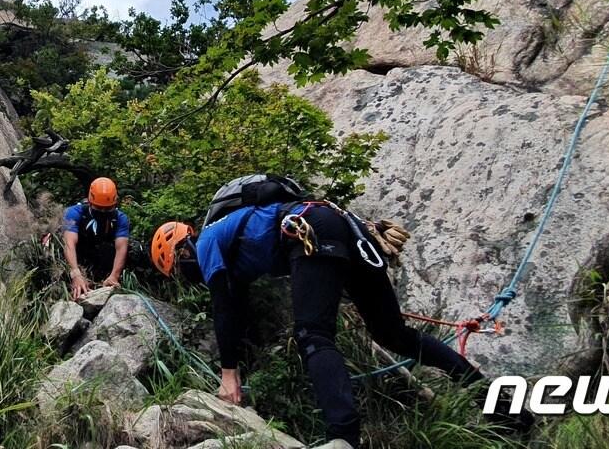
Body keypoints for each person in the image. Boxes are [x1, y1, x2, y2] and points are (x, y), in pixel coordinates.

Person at [151, 175, 494, 449]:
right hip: (339, 225)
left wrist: (229, 374)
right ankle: (505, 410)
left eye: (181, 271)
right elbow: (237, 315)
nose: (188, 276)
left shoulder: (209, 238)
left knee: (313, 334)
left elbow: (223, 308)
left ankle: (343, 437)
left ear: (181, 251)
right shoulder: (237, 238)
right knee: (395, 335)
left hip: (308, 229)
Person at [62, 177, 131, 299]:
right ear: (90, 202)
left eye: (108, 208)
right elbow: (69, 243)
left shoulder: (120, 219)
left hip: (100, 255)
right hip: (78, 253)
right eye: (99, 208)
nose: (103, 212)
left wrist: (114, 276)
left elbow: (121, 248)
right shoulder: (74, 213)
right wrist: (75, 274)